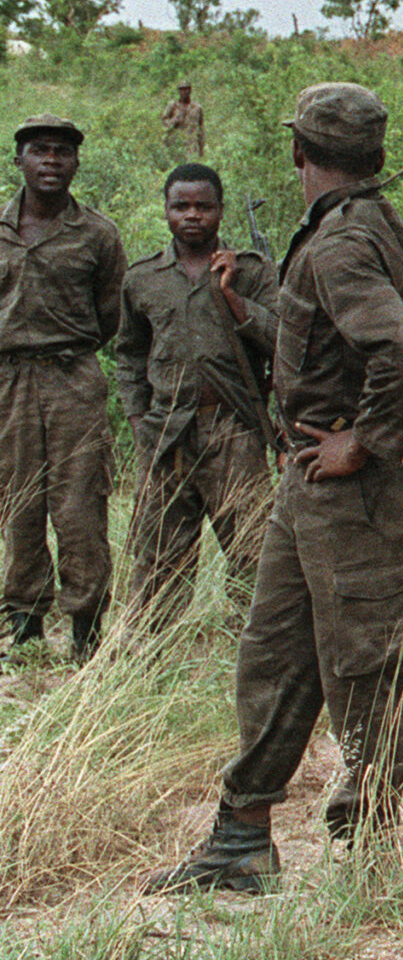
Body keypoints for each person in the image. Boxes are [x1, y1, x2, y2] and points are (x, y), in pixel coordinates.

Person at [145, 83, 403, 892]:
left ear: (299, 153)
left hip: (348, 488)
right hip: (307, 482)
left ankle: (373, 855)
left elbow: (402, 354)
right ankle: (241, 836)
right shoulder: (353, 227)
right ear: (373, 158)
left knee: (361, 664)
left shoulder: (341, 244)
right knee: (274, 651)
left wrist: (362, 442)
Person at [117, 164, 278, 627]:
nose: (192, 216)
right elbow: (129, 357)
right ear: (165, 210)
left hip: (234, 431)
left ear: (220, 211)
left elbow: (287, 340)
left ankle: (256, 648)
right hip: (165, 431)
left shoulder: (251, 271)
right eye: (180, 206)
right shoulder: (143, 278)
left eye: (203, 206)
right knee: (158, 556)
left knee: (253, 551)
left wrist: (233, 298)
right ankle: (150, 657)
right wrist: (137, 422)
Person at [0, 114, 126, 662]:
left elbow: (110, 315)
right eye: (40, 150)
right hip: (6, 381)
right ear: (19, 160)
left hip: (73, 378)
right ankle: (24, 623)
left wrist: (66, 350)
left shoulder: (97, 233)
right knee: (15, 500)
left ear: (76, 164)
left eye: (62, 152)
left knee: (79, 504)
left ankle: (86, 626)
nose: (51, 160)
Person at [162, 83, 207, 159]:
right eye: (181, 90)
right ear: (178, 92)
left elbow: (201, 127)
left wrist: (202, 146)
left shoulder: (197, 107)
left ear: (190, 90)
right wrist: (173, 121)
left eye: (186, 89)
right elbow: (164, 121)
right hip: (176, 141)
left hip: (192, 143)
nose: (184, 92)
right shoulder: (173, 105)